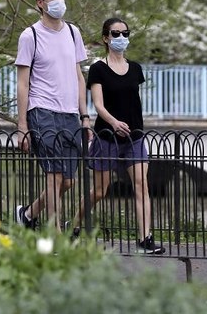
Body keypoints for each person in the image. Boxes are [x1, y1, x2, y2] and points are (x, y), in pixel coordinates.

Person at [69, 17, 164, 254]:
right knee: (100, 191)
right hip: (107, 136)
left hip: (135, 136)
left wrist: (130, 125)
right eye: (115, 33)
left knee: (141, 186)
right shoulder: (98, 70)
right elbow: (98, 105)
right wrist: (114, 123)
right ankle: (74, 226)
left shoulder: (136, 69)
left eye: (125, 33)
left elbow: (133, 100)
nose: (121, 37)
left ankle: (145, 239)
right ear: (106, 38)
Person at [14, 0, 90, 232]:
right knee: (54, 175)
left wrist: (85, 115)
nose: (59, 1)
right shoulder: (30, 36)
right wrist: (22, 126)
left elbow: (79, 76)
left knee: (68, 180)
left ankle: (27, 214)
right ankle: (54, 233)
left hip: (70, 114)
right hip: (42, 111)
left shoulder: (73, 33)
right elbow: (23, 83)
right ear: (40, 3)